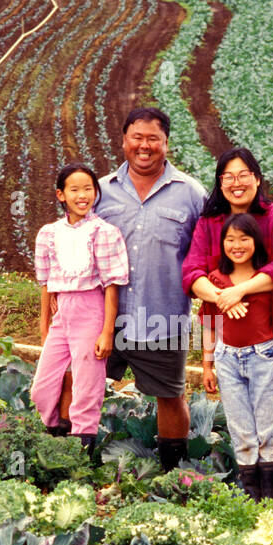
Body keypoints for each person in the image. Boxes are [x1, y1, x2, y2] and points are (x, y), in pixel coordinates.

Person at [182, 147, 273, 475]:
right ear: (219, 183)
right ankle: (260, 491)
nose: (236, 183)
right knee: (243, 422)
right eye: (227, 177)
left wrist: (239, 290)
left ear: (257, 178)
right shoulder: (210, 223)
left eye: (244, 175)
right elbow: (191, 272)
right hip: (230, 345)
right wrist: (222, 297)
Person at [95, 106, 206, 472]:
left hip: (164, 316)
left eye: (153, 139)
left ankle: (172, 472)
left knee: (170, 396)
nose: (144, 146)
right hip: (103, 317)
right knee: (79, 386)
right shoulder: (100, 192)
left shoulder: (190, 194)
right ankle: (73, 461)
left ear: (166, 144)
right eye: (137, 138)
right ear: (124, 140)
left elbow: (204, 256)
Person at [30, 163, 128, 458]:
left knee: (87, 388)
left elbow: (112, 285)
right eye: (74, 189)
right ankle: (55, 440)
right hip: (63, 314)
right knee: (42, 387)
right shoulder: (48, 234)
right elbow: (46, 284)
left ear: (96, 193)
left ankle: (79, 457)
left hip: (92, 311)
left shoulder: (104, 232)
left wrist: (107, 331)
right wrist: (45, 322)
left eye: (88, 189)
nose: (82, 195)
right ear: (61, 195)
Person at [199, 213, 273, 502]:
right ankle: (251, 498)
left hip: (264, 358)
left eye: (244, 238)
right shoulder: (215, 280)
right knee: (240, 430)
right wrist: (207, 365)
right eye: (230, 239)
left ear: (256, 242)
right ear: (222, 243)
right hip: (227, 361)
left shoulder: (265, 280)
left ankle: (272, 498)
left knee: (270, 430)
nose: (237, 245)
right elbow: (208, 325)